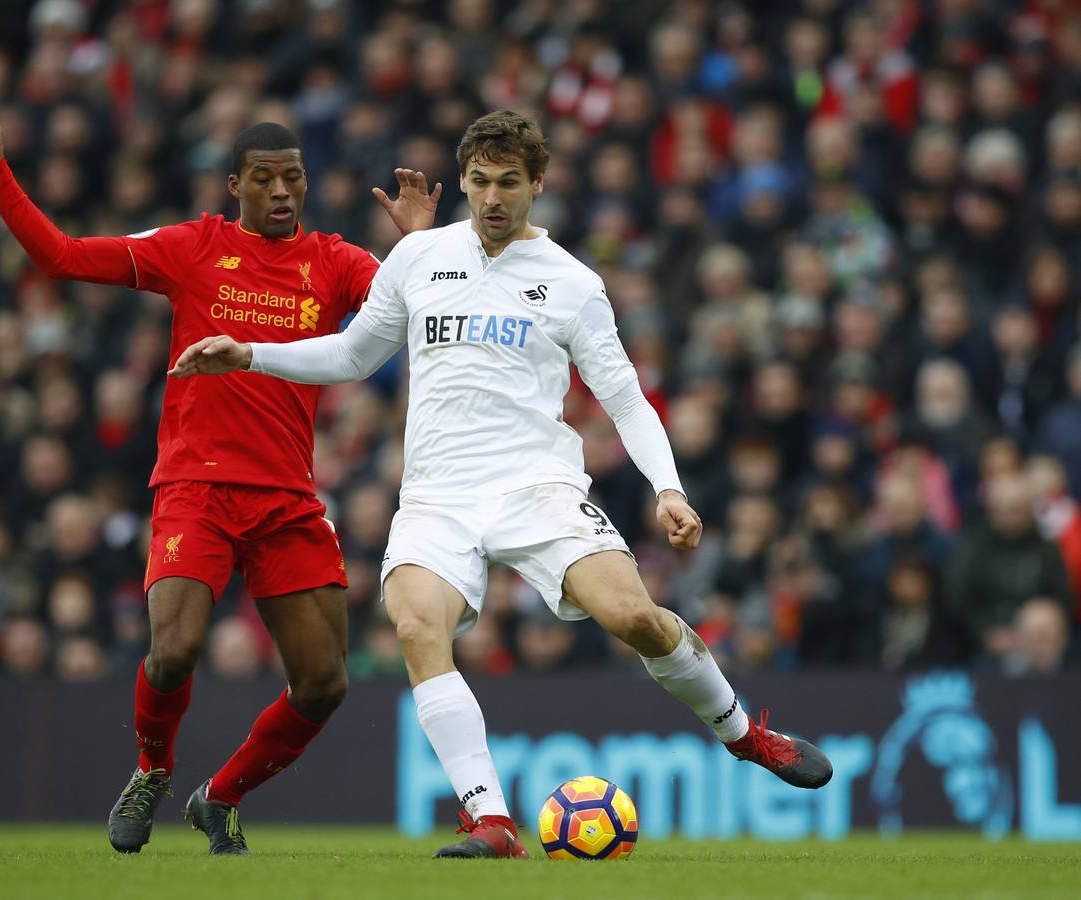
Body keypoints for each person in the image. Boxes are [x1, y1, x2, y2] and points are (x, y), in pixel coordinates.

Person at [172, 109, 833, 859]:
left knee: (637, 619)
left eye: (509, 183)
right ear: (463, 181)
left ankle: (746, 736)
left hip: (538, 488)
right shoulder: (419, 257)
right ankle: (490, 819)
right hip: (437, 495)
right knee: (418, 626)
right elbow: (354, 355)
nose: (492, 197)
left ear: (537, 185)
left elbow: (624, 397)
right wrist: (251, 353)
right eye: (480, 181)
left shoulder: (573, 284)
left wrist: (669, 490)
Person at [0, 86, 440, 855]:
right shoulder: (191, 247)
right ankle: (152, 770)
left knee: (326, 682)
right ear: (234, 184)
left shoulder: (334, 263)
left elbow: (418, 316)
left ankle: (222, 796)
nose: (281, 192)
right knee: (172, 652)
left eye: (293, 178)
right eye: (264, 178)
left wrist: (420, 251)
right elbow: (61, 256)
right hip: (196, 489)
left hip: (287, 500)